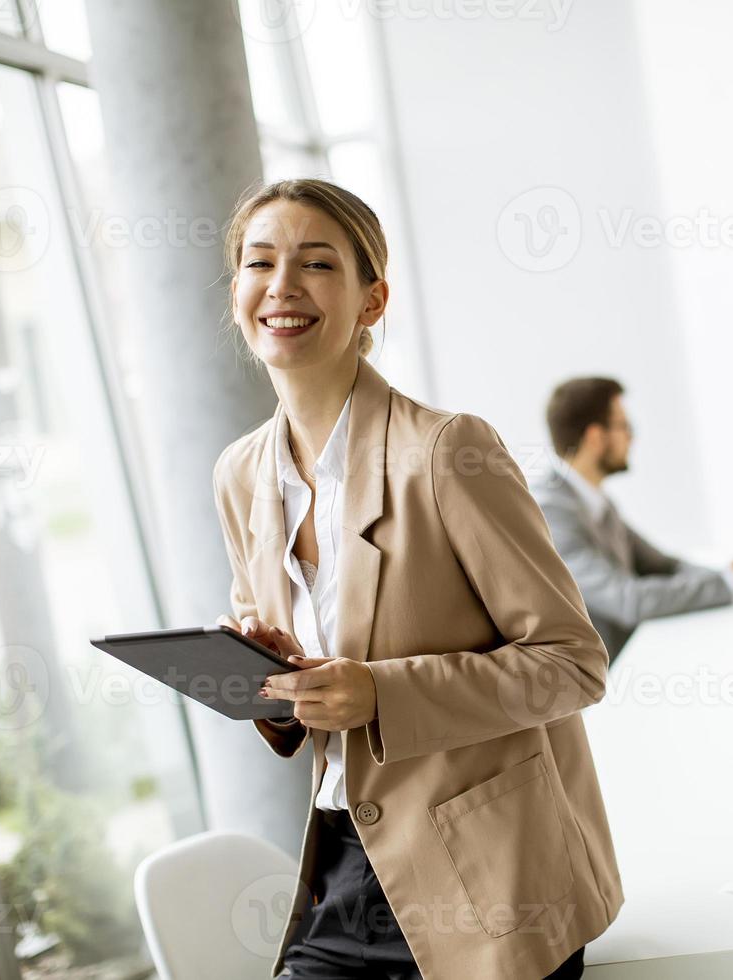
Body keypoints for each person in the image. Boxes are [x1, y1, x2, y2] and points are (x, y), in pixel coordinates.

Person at [210, 178, 621, 980]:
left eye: (317, 264)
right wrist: (270, 678)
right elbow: (298, 690)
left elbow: (573, 663)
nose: (283, 285)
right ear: (238, 296)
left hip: (492, 883)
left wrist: (381, 694)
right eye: (260, 262)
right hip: (341, 873)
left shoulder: (446, 453)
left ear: (372, 300)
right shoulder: (238, 474)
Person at [531, 377, 733, 663]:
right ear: (595, 437)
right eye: (625, 426)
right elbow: (629, 600)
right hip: (602, 690)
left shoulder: (596, 501)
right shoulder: (551, 513)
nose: (632, 437)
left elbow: (664, 566)